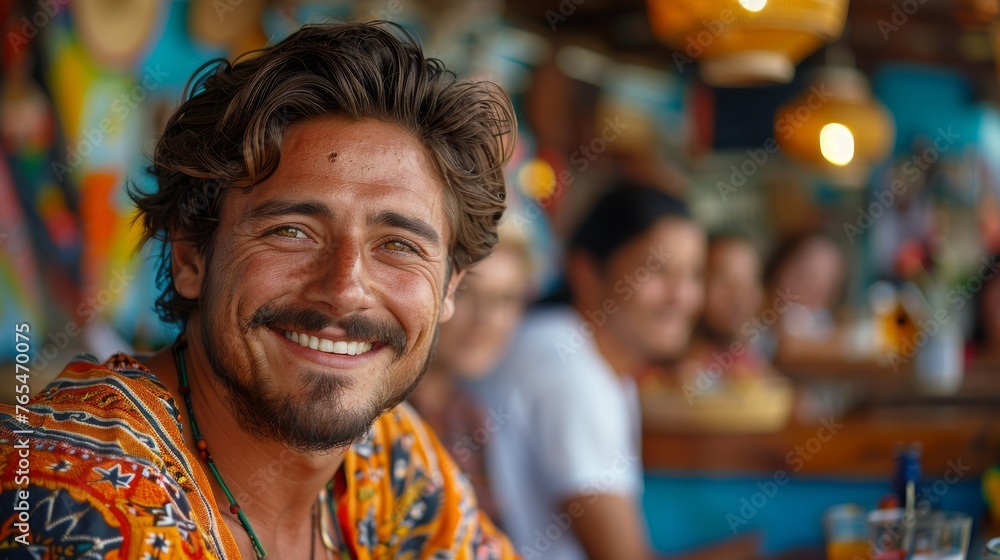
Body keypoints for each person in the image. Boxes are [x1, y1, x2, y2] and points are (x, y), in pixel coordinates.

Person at [0, 22, 518, 559]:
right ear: (190, 256)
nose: (344, 290)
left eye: (399, 245)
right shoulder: (79, 502)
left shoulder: (387, 461)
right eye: (292, 232)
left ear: (449, 287)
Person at [473, 183, 706, 560]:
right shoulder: (567, 364)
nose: (682, 296)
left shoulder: (591, 356)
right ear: (586, 272)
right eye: (658, 270)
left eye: (694, 274)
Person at [408, 222, 533, 523]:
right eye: (465, 293)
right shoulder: (385, 411)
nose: (485, 320)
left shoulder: (466, 411)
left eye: (504, 299)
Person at [676, 234, 774, 387]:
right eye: (725, 281)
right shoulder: (668, 364)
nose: (740, 296)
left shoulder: (750, 362)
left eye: (750, 280)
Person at [763, 232, 847, 363]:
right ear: (779, 269)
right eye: (807, 276)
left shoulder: (819, 316)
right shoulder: (781, 311)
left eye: (828, 282)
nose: (817, 287)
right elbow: (789, 347)